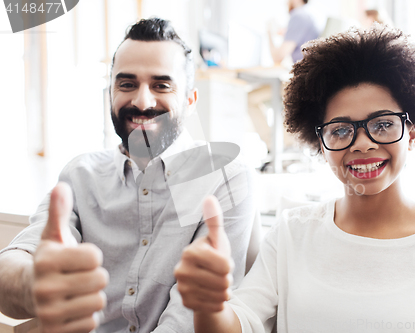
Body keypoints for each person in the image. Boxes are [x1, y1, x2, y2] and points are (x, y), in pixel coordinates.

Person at [174, 24, 415, 332]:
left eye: (383, 124)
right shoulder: (291, 234)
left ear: (411, 134)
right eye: (341, 130)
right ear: (320, 144)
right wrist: (209, 307)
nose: (362, 144)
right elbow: (239, 323)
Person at [0, 18, 255, 333]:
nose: (142, 101)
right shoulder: (81, 174)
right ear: (111, 93)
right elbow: (13, 264)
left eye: (161, 85)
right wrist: (32, 284)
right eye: (127, 84)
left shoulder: (225, 177)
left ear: (190, 101)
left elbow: (186, 321)